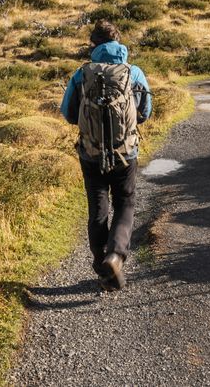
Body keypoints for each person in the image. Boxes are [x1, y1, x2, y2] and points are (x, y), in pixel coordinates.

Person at [60, 20, 151, 290]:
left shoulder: (81, 74)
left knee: (97, 206)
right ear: (119, 42)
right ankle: (116, 254)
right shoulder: (133, 73)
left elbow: (68, 113)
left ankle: (101, 260)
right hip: (126, 151)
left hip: (90, 152)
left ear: (94, 45)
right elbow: (145, 113)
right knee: (125, 202)